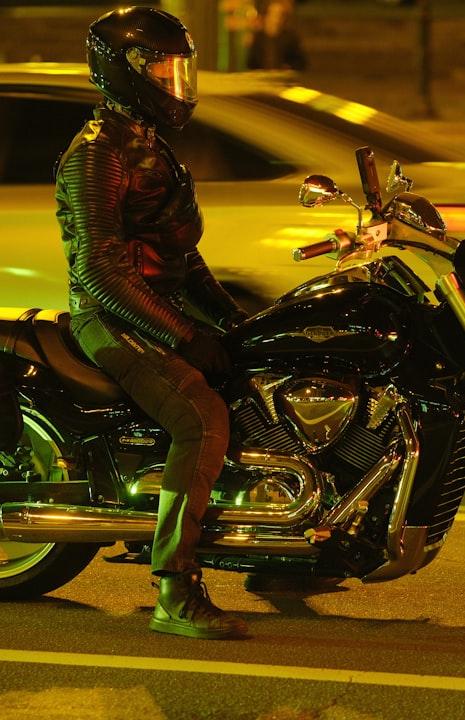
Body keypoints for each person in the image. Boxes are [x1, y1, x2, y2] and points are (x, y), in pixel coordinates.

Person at [55, 7, 250, 640]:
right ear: (123, 72)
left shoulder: (145, 141)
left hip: (155, 307)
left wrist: (233, 319)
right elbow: (102, 271)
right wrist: (184, 333)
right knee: (202, 419)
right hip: (112, 319)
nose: (175, 84)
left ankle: (279, 556)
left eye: (179, 70)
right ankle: (174, 588)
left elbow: (179, 254)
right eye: (161, 70)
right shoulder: (97, 152)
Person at [247, 0, 307, 72]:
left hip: (283, 79)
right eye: (273, 14)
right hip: (263, 79)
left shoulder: (291, 37)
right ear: (267, 16)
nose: (276, 19)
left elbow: (302, 62)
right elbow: (251, 63)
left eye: (279, 15)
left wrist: (288, 67)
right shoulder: (259, 38)